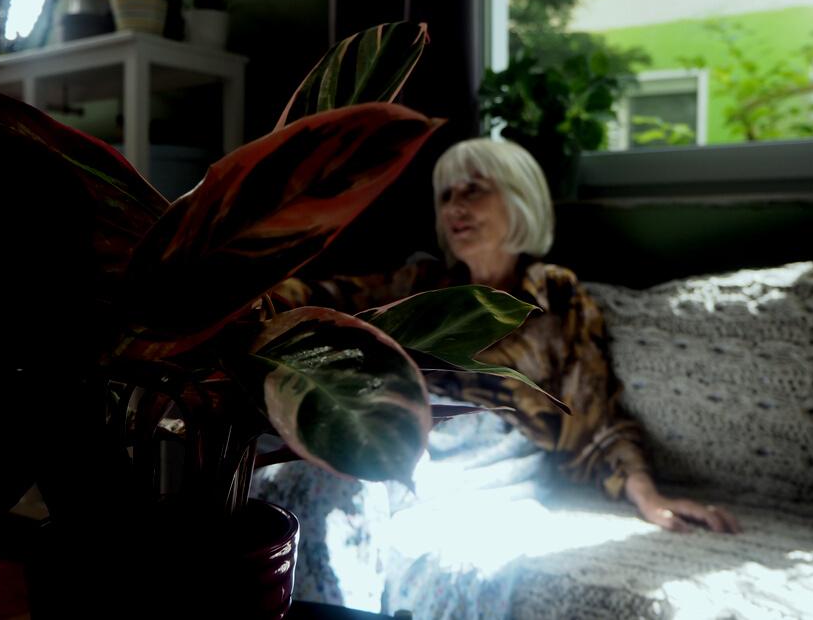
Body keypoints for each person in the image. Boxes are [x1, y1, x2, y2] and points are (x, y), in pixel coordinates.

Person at [274, 137, 740, 534]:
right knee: (292, 472)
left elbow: (596, 418)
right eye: (446, 196)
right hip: (410, 422)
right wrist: (257, 296)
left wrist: (649, 498)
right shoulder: (425, 284)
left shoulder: (556, 294)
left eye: (473, 190)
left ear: (519, 200)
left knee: (353, 482)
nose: (455, 207)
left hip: (494, 448)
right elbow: (329, 300)